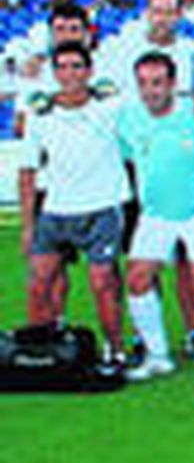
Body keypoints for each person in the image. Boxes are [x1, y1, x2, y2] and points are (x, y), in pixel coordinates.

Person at [18, 42, 130, 372]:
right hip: (56, 211)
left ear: (89, 71)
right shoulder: (40, 115)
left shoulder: (111, 106)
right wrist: (28, 225)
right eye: (63, 67)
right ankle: (43, 352)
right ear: (54, 73)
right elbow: (28, 170)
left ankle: (115, 351)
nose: (70, 74)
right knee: (39, 283)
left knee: (103, 283)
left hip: (102, 208)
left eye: (76, 66)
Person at [116, 51, 194, 381]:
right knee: (137, 279)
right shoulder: (128, 118)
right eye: (143, 83)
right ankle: (157, 356)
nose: (151, 91)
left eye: (157, 82)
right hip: (156, 214)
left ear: (173, 84)